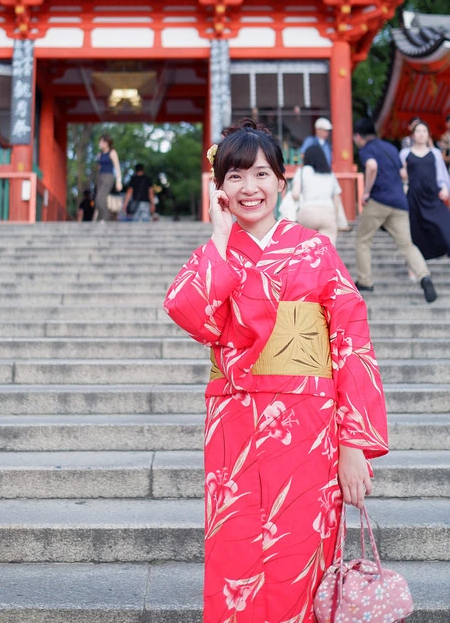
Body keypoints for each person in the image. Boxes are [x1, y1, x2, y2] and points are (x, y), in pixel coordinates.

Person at [164, 118, 388, 623]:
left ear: (281, 182)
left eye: (261, 174)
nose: (250, 188)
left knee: (301, 554)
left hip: (308, 427)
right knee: (235, 554)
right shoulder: (216, 253)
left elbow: (351, 343)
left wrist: (352, 444)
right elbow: (188, 312)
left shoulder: (316, 249)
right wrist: (220, 239)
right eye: (235, 177)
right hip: (235, 424)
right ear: (219, 188)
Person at [353, 118, 437, 303]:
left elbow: (372, 166)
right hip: (399, 202)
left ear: (358, 136)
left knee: (363, 240)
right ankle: (424, 275)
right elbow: (403, 173)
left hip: (379, 200)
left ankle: (365, 280)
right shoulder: (390, 148)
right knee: (407, 245)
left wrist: (366, 192)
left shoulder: (366, 149)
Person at [399, 121, 450, 260]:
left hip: (433, 195)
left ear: (428, 135)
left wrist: (445, 187)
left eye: (424, 131)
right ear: (413, 135)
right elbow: (401, 174)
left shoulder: (435, 153)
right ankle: (415, 264)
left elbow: (441, 173)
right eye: (418, 131)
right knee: (415, 230)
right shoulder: (405, 153)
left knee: (445, 223)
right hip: (414, 196)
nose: (421, 134)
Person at [301, 117, 350, 231]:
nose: (327, 133)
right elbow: (304, 155)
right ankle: (340, 222)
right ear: (318, 129)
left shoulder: (327, 145)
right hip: (312, 175)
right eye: (325, 130)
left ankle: (342, 223)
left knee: (334, 194)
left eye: (328, 131)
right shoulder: (310, 141)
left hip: (324, 175)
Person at [291, 144, 342, 245]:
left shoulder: (302, 172)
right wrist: (335, 218)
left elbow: (295, 194)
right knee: (327, 251)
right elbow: (337, 199)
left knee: (307, 252)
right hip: (328, 213)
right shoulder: (330, 174)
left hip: (308, 213)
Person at [95, 134, 122, 222]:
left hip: (108, 176)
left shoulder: (112, 152)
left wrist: (119, 181)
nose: (100, 143)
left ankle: (105, 218)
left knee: (101, 197)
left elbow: (117, 167)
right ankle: (100, 218)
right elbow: (99, 167)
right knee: (97, 199)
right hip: (100, 177)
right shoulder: (99, 154)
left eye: (102, 141)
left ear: (106, 143)